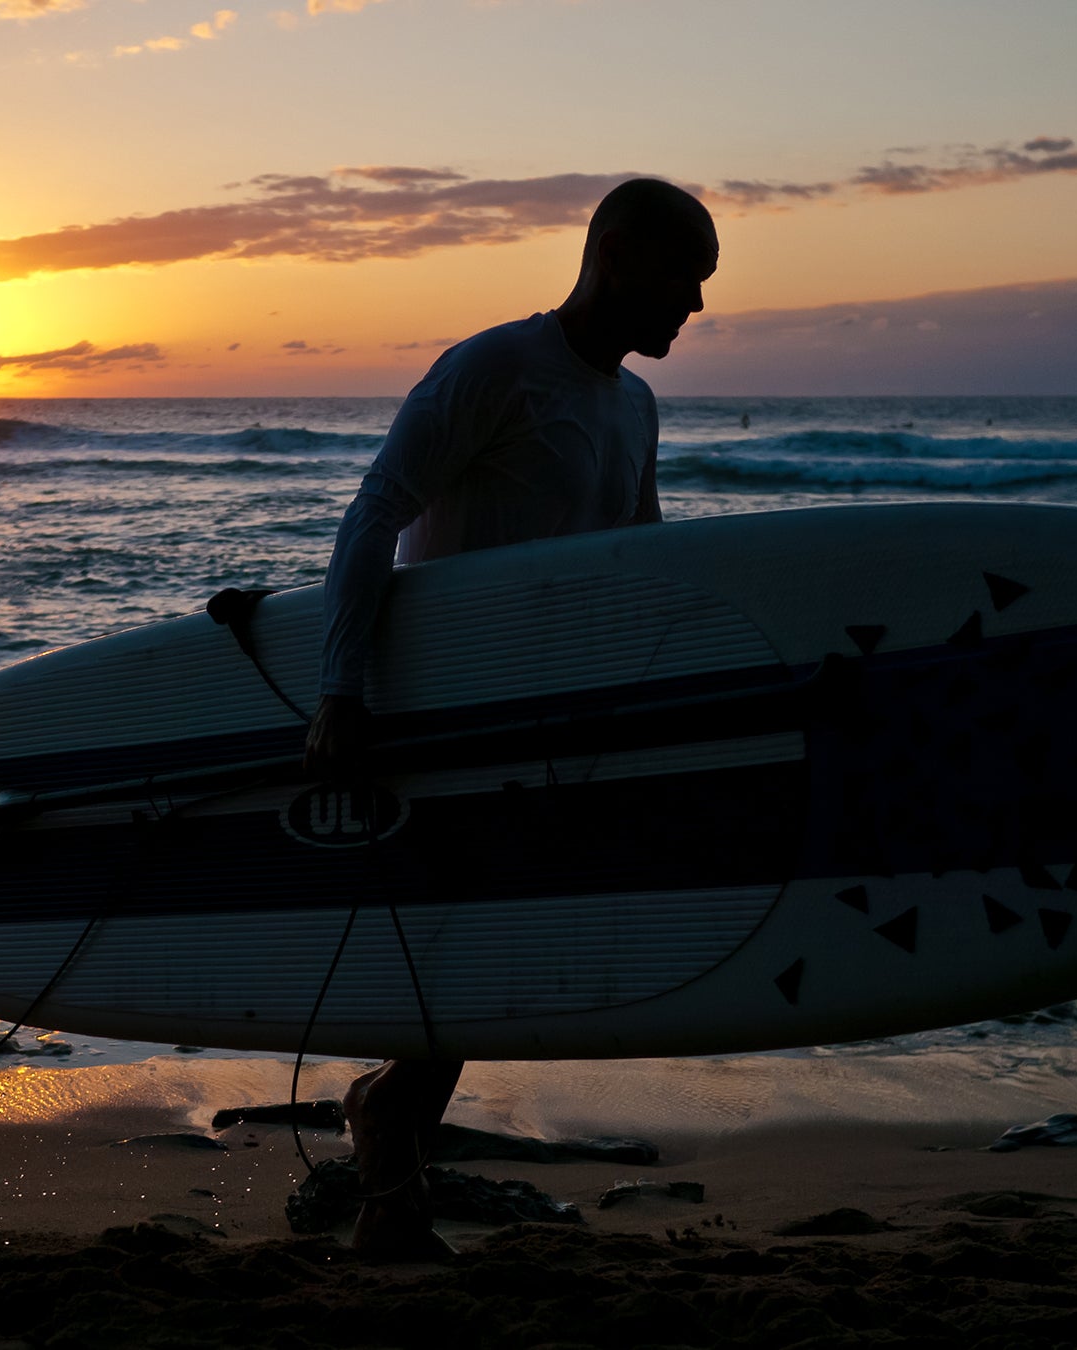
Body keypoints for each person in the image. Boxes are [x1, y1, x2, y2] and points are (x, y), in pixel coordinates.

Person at [302, 177, 718, 1262]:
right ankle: (389, 1186)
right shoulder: (495, 369)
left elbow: (638, 562)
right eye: (687, 279)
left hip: (555, 728)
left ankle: (389, 1144)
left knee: (487, 957)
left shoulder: (633, 406)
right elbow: (375, 513)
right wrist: (342, 689)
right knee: (458, 952)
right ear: (618, 256)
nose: (698, 307)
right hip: (443, 710)